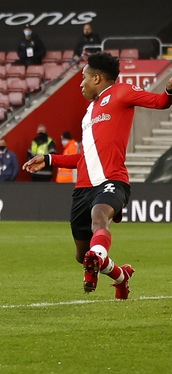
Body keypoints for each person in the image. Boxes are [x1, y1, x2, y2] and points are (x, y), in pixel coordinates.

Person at [23, 52, 172, 300]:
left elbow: (160, 102)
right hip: (83, 189)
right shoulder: (89, 113)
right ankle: (121, 277)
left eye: (84, 78)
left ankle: (98, 258)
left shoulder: (121, 92)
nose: (80, 83)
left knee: (99, 216)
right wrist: (50, 159)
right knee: (82, 255)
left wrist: (168, 91)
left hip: (113, 181)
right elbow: (84, 158)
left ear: (97, 78)